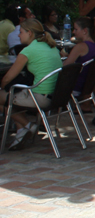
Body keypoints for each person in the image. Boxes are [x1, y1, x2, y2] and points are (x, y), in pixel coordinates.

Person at [0, 19, 62, 150]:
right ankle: (21, 130)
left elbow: (7, 78)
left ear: (29, 33)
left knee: (4, 95)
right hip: (56, 96)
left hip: (39, 98)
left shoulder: (28, 51)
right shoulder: (51, 46)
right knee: (11, 94)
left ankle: (28, 125)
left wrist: (2, 86)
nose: (18, 35)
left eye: (21, 32)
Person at [63, 17, 95, 97]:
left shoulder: (80, 47)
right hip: (87, 86)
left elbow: (65, 67)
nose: (73, 32)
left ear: (85, 31)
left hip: (75, 86)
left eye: (76, 29)